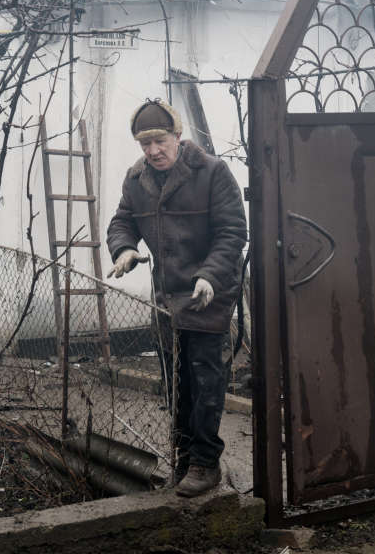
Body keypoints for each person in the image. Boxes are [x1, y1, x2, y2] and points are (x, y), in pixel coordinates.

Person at [107, 99, 246, 497]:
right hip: (166, 301)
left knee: (205, 382)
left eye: (160, 140)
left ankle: (205, 464)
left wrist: (210, 275)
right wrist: (124, 249)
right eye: (144, 143)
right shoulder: (137, 180)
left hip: (208, 296)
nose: (153, 151)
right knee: (176, 384)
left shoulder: (212, 172)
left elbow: (232, 231)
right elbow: (123, 220)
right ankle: (184, 459)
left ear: (178, 136)